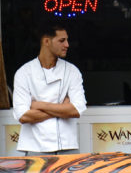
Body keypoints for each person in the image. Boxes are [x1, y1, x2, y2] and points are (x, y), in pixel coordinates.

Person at [12, 22, 87, 155]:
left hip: (67, 146)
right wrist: (62, 108)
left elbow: (76, 109)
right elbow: (23, 115)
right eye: (62, 41)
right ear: (47, 41)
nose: (67, 45)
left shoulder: (72, 71)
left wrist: (38, 105)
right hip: (35, 147)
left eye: (67, 40)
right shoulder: (23, 73)